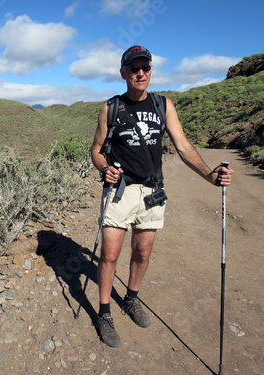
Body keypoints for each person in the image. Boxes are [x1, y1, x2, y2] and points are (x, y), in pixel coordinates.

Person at [89, 45, 234, 348]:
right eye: (134, 68)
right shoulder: (110, 107)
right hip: (120, 191)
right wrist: (105, 169)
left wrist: (210, 176)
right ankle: (104, 312)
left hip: (152, 191)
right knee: (110, 254)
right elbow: (96, 149)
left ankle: (131, 299)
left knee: (141, 253)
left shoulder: (163, 105)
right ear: (123, 73)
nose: (140, 73)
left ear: (150, 70)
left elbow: (182, 147)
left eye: (145, 68)